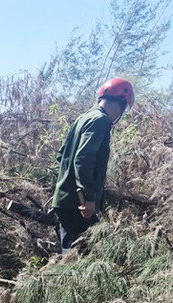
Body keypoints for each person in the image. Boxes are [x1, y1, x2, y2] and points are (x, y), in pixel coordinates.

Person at [52, 77, 134, 253]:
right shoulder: (100, 121)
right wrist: (87, 198)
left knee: (75, 253)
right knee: (80, 257)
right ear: (120, 104)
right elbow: (83, 159)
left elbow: (62, 155)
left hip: (66, 199)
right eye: (123, 109)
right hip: (78, 204)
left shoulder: (83, 118)